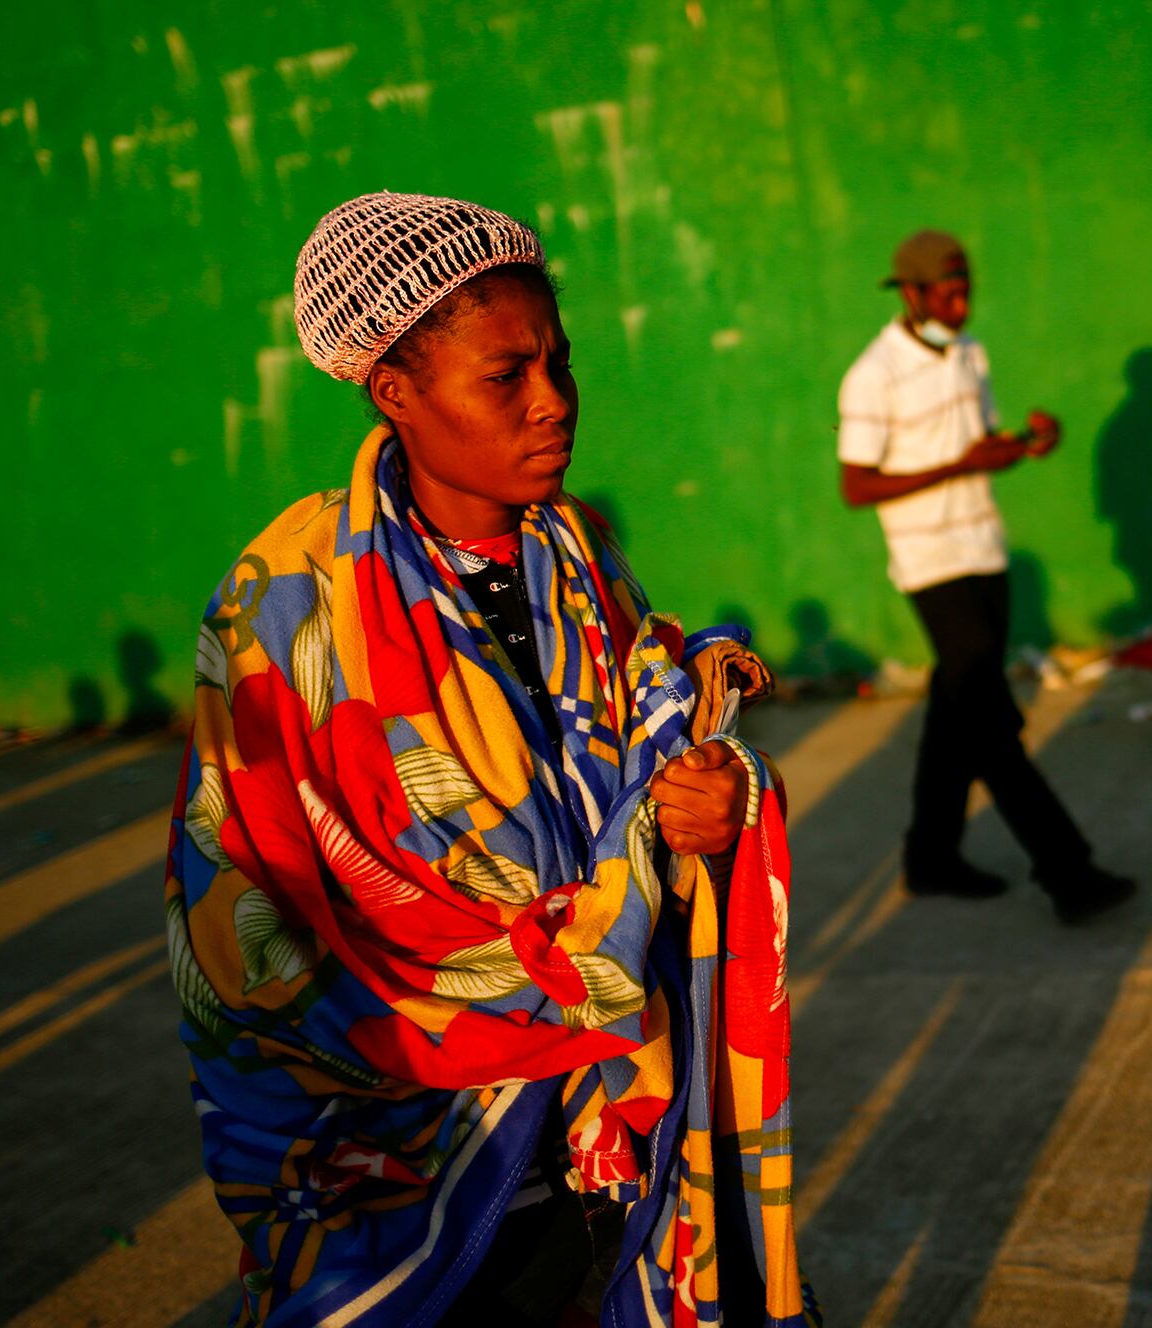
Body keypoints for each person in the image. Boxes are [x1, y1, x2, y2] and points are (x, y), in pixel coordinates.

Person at [165, 192, 814, 1326]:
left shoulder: (578, 553)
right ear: (396, 392)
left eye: (560, 363)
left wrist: (706, 778)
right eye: (506, 376)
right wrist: (626, 866)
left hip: (596, 1117)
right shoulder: (290, 599)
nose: (553, 403)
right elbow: (256, 876)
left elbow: (636, 722)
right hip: (397, 1127)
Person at [836, 229, 1134, 923]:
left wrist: (1028, 444)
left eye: (967, 289)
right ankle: (1070, 871)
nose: (963, 304)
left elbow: (981, 444)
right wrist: (961, 465)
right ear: (909, 293)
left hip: (985, 550)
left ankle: (930, 858)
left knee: (956, 709)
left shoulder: (971, 353)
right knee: (993, 724)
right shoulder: (872, 374)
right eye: (948, 292)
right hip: (930, 565)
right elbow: (856, 485)